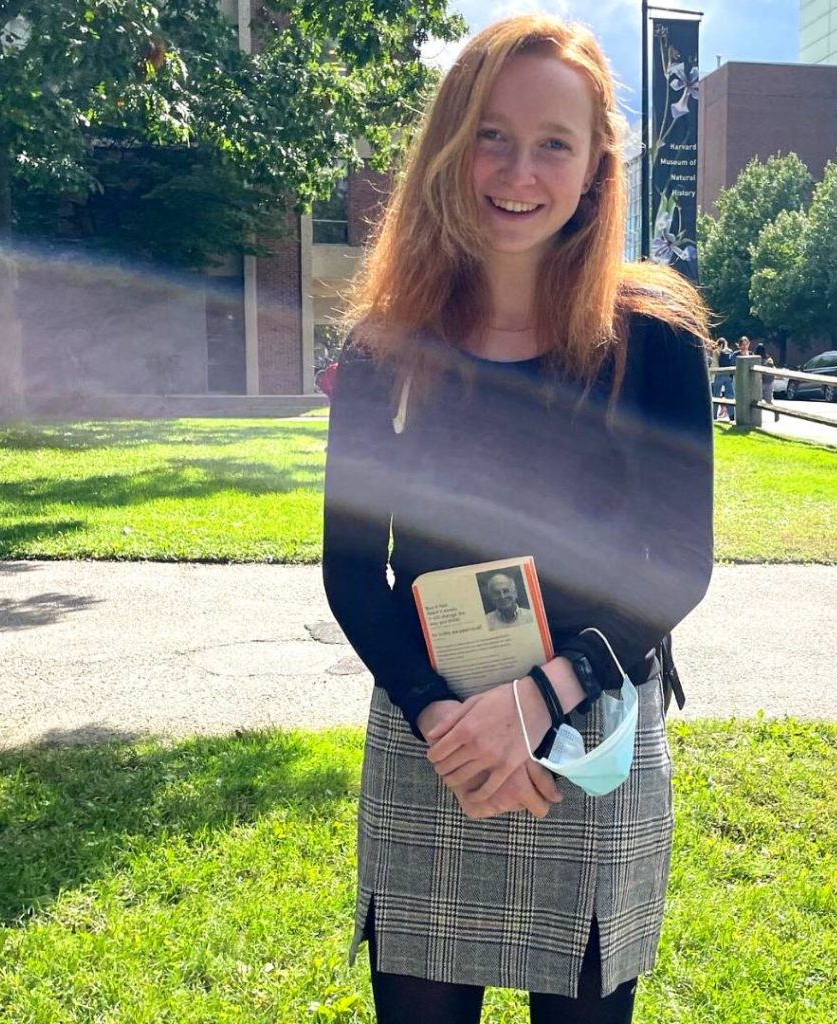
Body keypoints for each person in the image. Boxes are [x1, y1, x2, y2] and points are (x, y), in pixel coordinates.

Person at [322, 16, 713, 1023]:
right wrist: (441, 715)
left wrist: (542, 694)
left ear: (593, 170)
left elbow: (674, 567)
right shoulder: (385, 344)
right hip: (430, 735)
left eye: (554, 143)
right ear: (450, 144)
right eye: (491, 133)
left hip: (590, 731)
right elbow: (351, 566)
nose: (518, 170)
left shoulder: (655, 342)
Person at [754, 342, 780, 422]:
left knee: (757, 400)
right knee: (768, 400)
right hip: (769, 382)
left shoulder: (756, 359)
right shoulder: (769, 359)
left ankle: (757, 418)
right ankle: (775, 411)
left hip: (760, 382)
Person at [713, 337, 734, 421]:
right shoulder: (730, 351)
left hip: (719, 375)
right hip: (728, 375)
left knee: (716, 396)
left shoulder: (716, 351)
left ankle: (714, 415)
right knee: (730, 395)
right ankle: (732, 416)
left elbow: (715, 363)